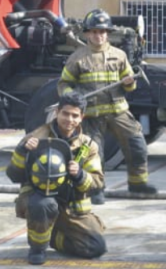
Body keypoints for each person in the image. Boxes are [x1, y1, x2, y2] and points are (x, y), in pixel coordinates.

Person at [58, 8, 157, 202]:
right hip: (92, 115)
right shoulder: (77, 58)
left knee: (137, 145)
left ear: (108, 33)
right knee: (92, 154)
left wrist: (130, 83)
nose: (99, 36)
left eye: (102, 31)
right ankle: (95, 190)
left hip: (118, 112)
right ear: (87, 33)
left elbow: (129, 85)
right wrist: (73, 99)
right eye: (94, 31)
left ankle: (138, 184)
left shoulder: (119, 55)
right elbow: (63, 84)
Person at [9, 93, 107, 265]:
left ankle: (54, 237)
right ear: (57, 112)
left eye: (75, 115)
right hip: (40, 198)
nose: (69, 119)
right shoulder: (36, 138)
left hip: (72, 207)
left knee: (95, 247)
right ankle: (37, 248)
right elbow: (13, 175)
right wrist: (22, 151)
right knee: (43, 205)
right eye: (65, 113)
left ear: (82, 117)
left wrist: (80, 175)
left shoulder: (88, 146)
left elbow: (98, 183)